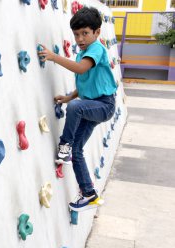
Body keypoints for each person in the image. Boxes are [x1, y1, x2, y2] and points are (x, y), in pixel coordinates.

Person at [38, 6, 117, 212]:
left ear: (97, 32)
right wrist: (68, 97)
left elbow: (82, 69)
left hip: (104, 105)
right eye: (76, 34)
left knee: (76, 109)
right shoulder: (84, 51)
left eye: (85, 33)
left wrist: (54, 57)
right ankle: (88, 193)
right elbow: (85, 85)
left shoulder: (97, 49)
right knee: (77, 150)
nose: (80, 39)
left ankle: (64, 145)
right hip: (93, 104)